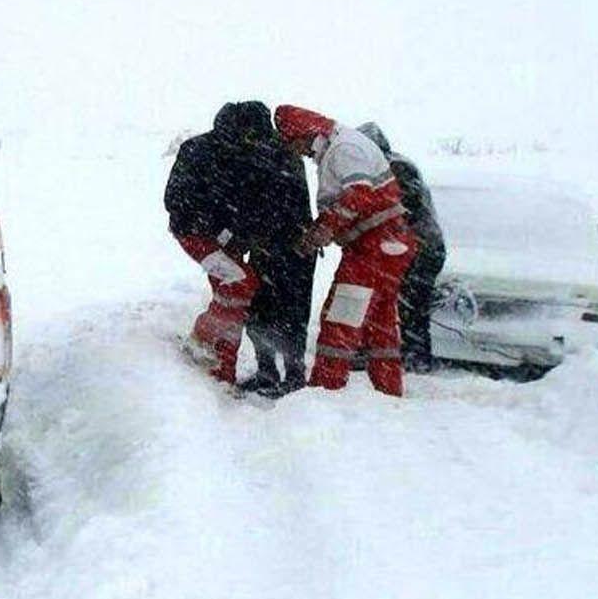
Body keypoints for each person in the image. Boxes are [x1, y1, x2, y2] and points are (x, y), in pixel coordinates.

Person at [274, 104, 416, 396]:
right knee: (381, 327)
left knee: (339, 320)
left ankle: (325, 392)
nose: (299, 152)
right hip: (387, 246)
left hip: (373, 249)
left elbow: (358, 196)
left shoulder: (343, 149)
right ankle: (389, 394)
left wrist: (323, 229)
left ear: (307, 133)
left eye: (295, 144)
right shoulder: (341, 146)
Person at [163, 102, 275, 385]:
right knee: (240, 283)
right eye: (253, 136)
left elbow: (253, 202)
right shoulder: (198, 149)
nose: (257, 143)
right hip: (195, 235)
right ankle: (203, 339)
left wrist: (246, 231)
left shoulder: (251, 153)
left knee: (232, 300)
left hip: (232, 240)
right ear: (242, 129)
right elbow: (175, 200)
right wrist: (216, 227)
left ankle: (222, 371)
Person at [359, 122, 444, 372]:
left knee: (413, 305)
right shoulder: (391, 165)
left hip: (423, 248)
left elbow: (401, 210)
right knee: (394, 300)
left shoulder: (397, 168)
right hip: (414, 246)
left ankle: (416, 357)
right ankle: (394, 351)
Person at [240, 121, 316, 397]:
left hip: (279, 248)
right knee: (290, 312)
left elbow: (260, 206)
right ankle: (288, 373)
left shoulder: (265, 156)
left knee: (267, 310)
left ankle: (274, 373)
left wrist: (252, 235)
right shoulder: (286, 155)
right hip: (294, 248)